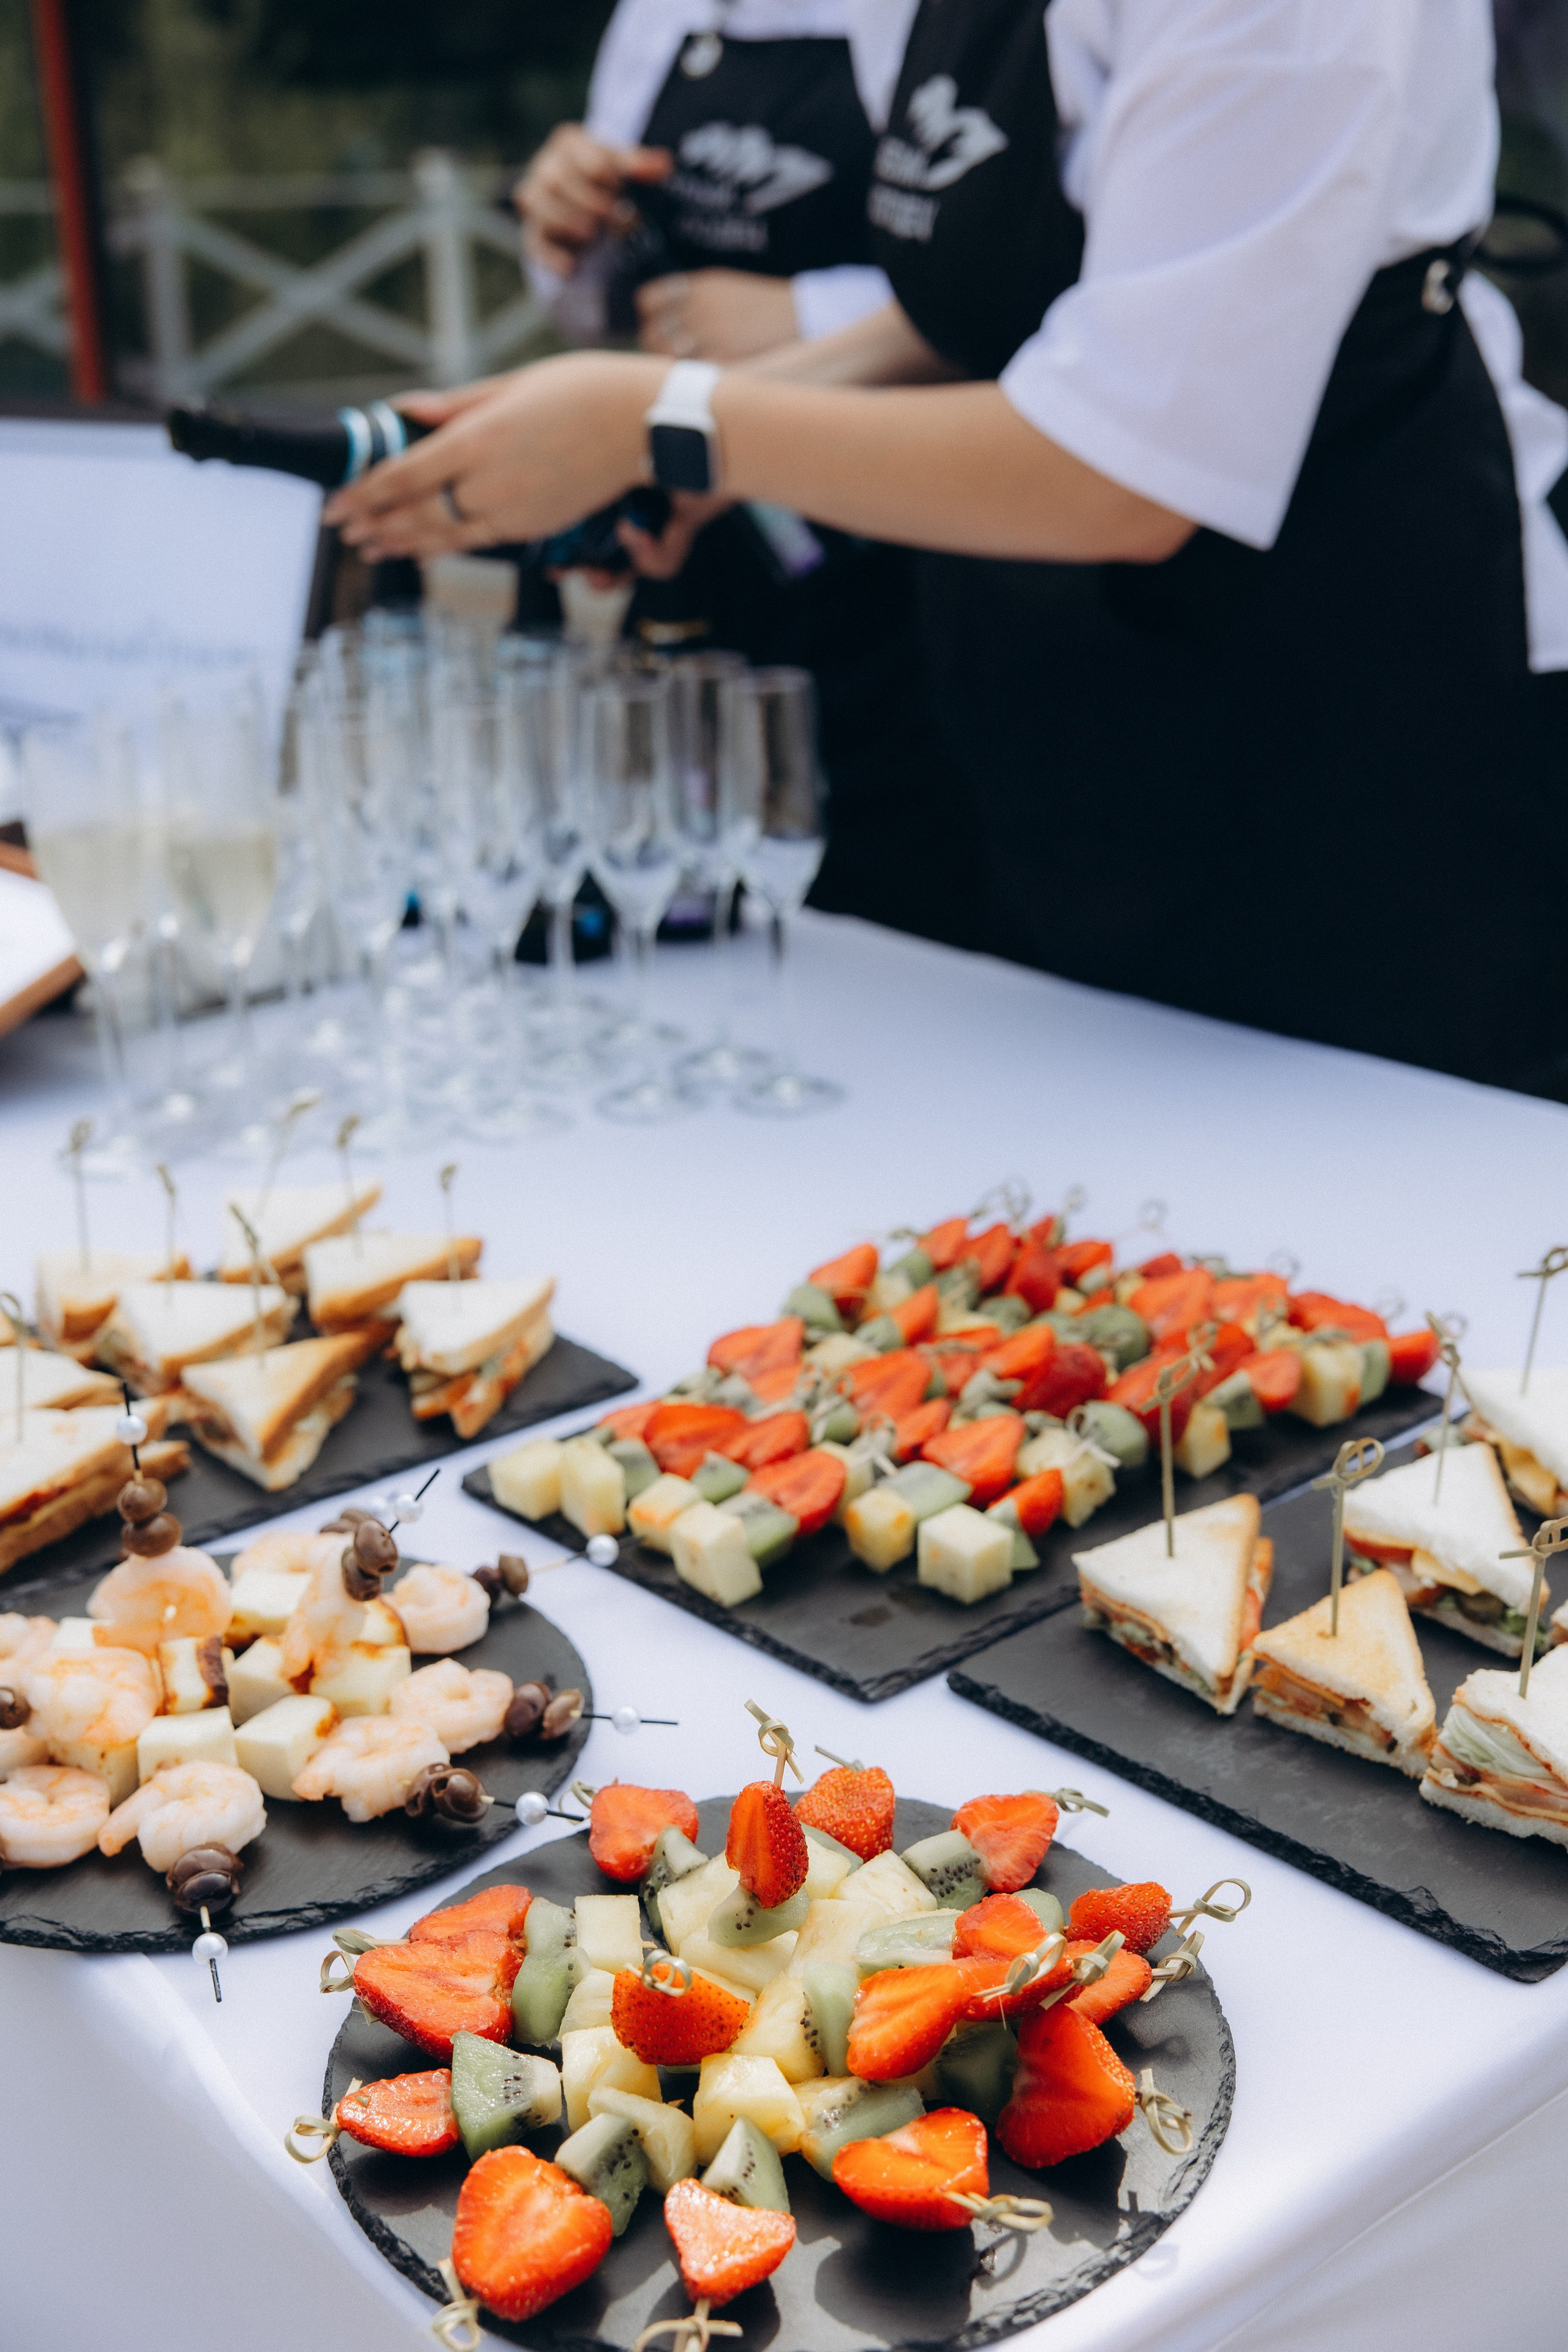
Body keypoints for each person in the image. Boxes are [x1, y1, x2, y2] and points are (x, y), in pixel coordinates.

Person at [328, 0, 1568, 1088]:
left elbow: (1130, 474)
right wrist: (675, 454)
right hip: (1057, 708)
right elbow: (1002, 291)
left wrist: (660, 426)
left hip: (1340, 708)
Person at [511, 0, 984, 947]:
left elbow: (1026, 281)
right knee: (699, 885)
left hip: (917, 556)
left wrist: (805, 315)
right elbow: (601, 299)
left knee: (913, 905)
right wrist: (569, 226)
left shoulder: (949, 18)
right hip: (703, 546)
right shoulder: (664, 16)